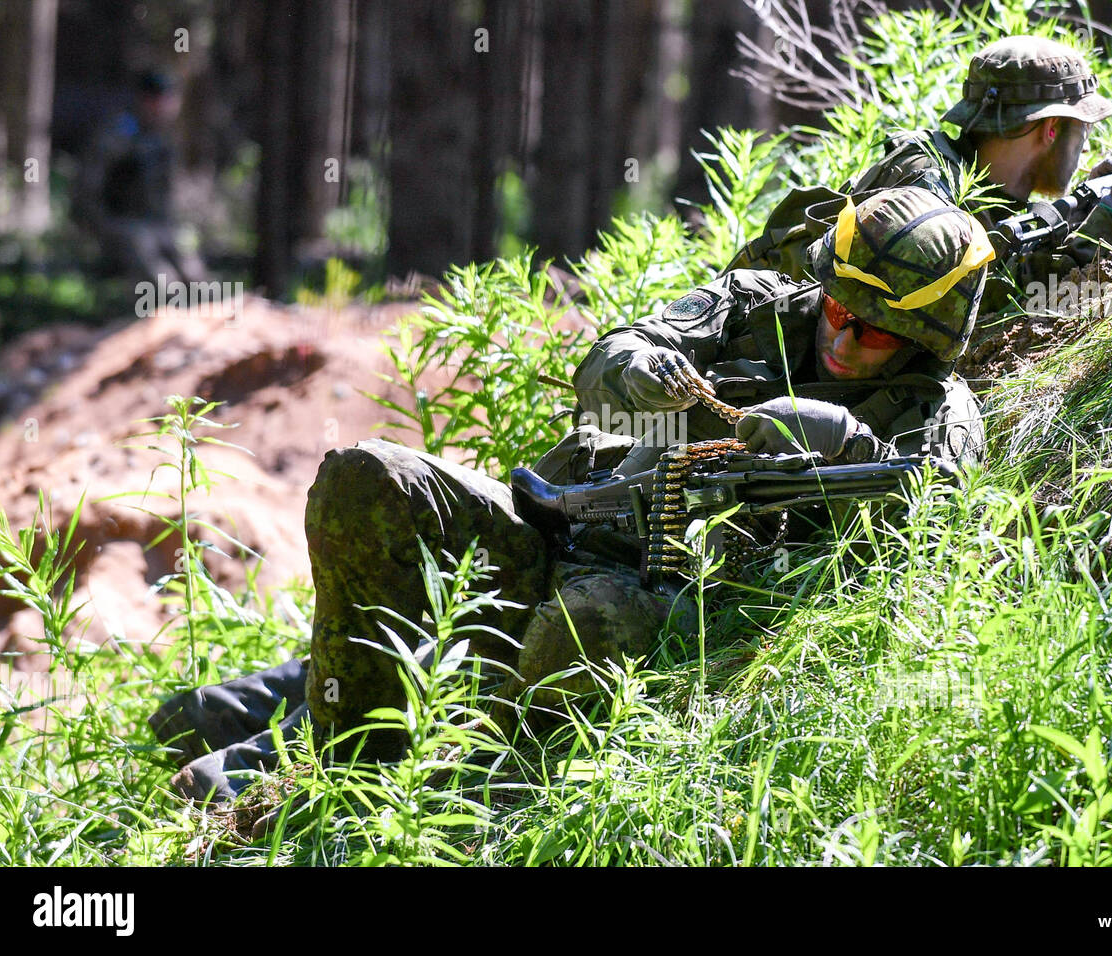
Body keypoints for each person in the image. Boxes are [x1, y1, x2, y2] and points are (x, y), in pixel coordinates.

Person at [149, 186, 993, 802]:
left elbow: (935, 532)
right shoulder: (755, 307)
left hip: (677, 609)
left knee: (577, 623)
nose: (843, 333)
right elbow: (608, 360)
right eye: (839, 305)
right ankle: (317, 732)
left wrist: (839, 440)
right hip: (563, 524)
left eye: (877, 329)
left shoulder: (936, 413)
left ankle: (320, 782)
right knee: (371, 480)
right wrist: (635, 371)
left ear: (926, 338)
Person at [728, 35, 1112, 309]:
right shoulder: (926, 195)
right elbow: (993, 313)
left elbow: (1008, 258)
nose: (1086, 144)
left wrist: (1087, 204)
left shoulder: (981, 183)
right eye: (1081, 130)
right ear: (1050, 129)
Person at [75, 69, 207, 287]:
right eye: (158, 100)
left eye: (169, 100)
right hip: (119, 223)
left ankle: (204, 312)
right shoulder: (118, 134)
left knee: (194, 273)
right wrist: (97, 224)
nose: (165, 107)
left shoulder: (163, 137)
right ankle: (160, 313)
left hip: (155, 224)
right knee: (162, 280)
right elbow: (87, 190)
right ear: (145, 100)